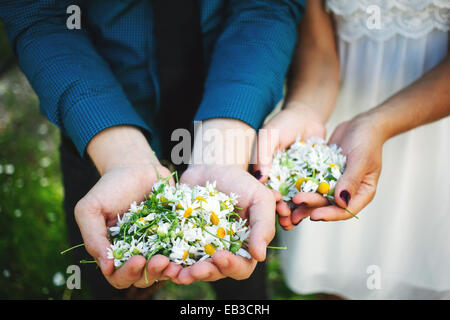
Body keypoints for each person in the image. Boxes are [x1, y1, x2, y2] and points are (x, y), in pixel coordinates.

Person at [0, 0, 305, 298]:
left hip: (229, 104)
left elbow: (267, 5)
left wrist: (225, 148)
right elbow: (38, 12)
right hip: (102, 121)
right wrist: (117, 153)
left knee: (238, 265)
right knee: (112, 263)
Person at [255, 0, 450, 299]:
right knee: (340, 257)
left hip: (431, 123)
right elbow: (319, 52)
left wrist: (377, 124)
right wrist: (302, 110)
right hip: (336, 123)